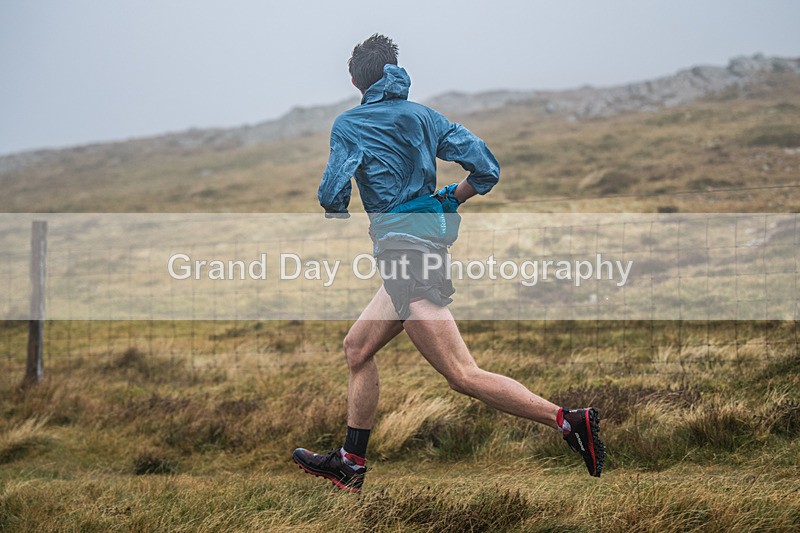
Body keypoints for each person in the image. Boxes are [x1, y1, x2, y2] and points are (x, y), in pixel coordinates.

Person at [292, 34, 604, 492]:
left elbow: (332, 194)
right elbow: (486, 169)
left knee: (463, 375)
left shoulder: (350, 124)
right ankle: (350, 461)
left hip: (405, 261)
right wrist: (444, 199)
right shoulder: (426, 117)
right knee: (357, 348)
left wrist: (339, 208)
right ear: (393, 72)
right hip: (417, 255)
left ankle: (567, 420)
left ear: (355, 79)